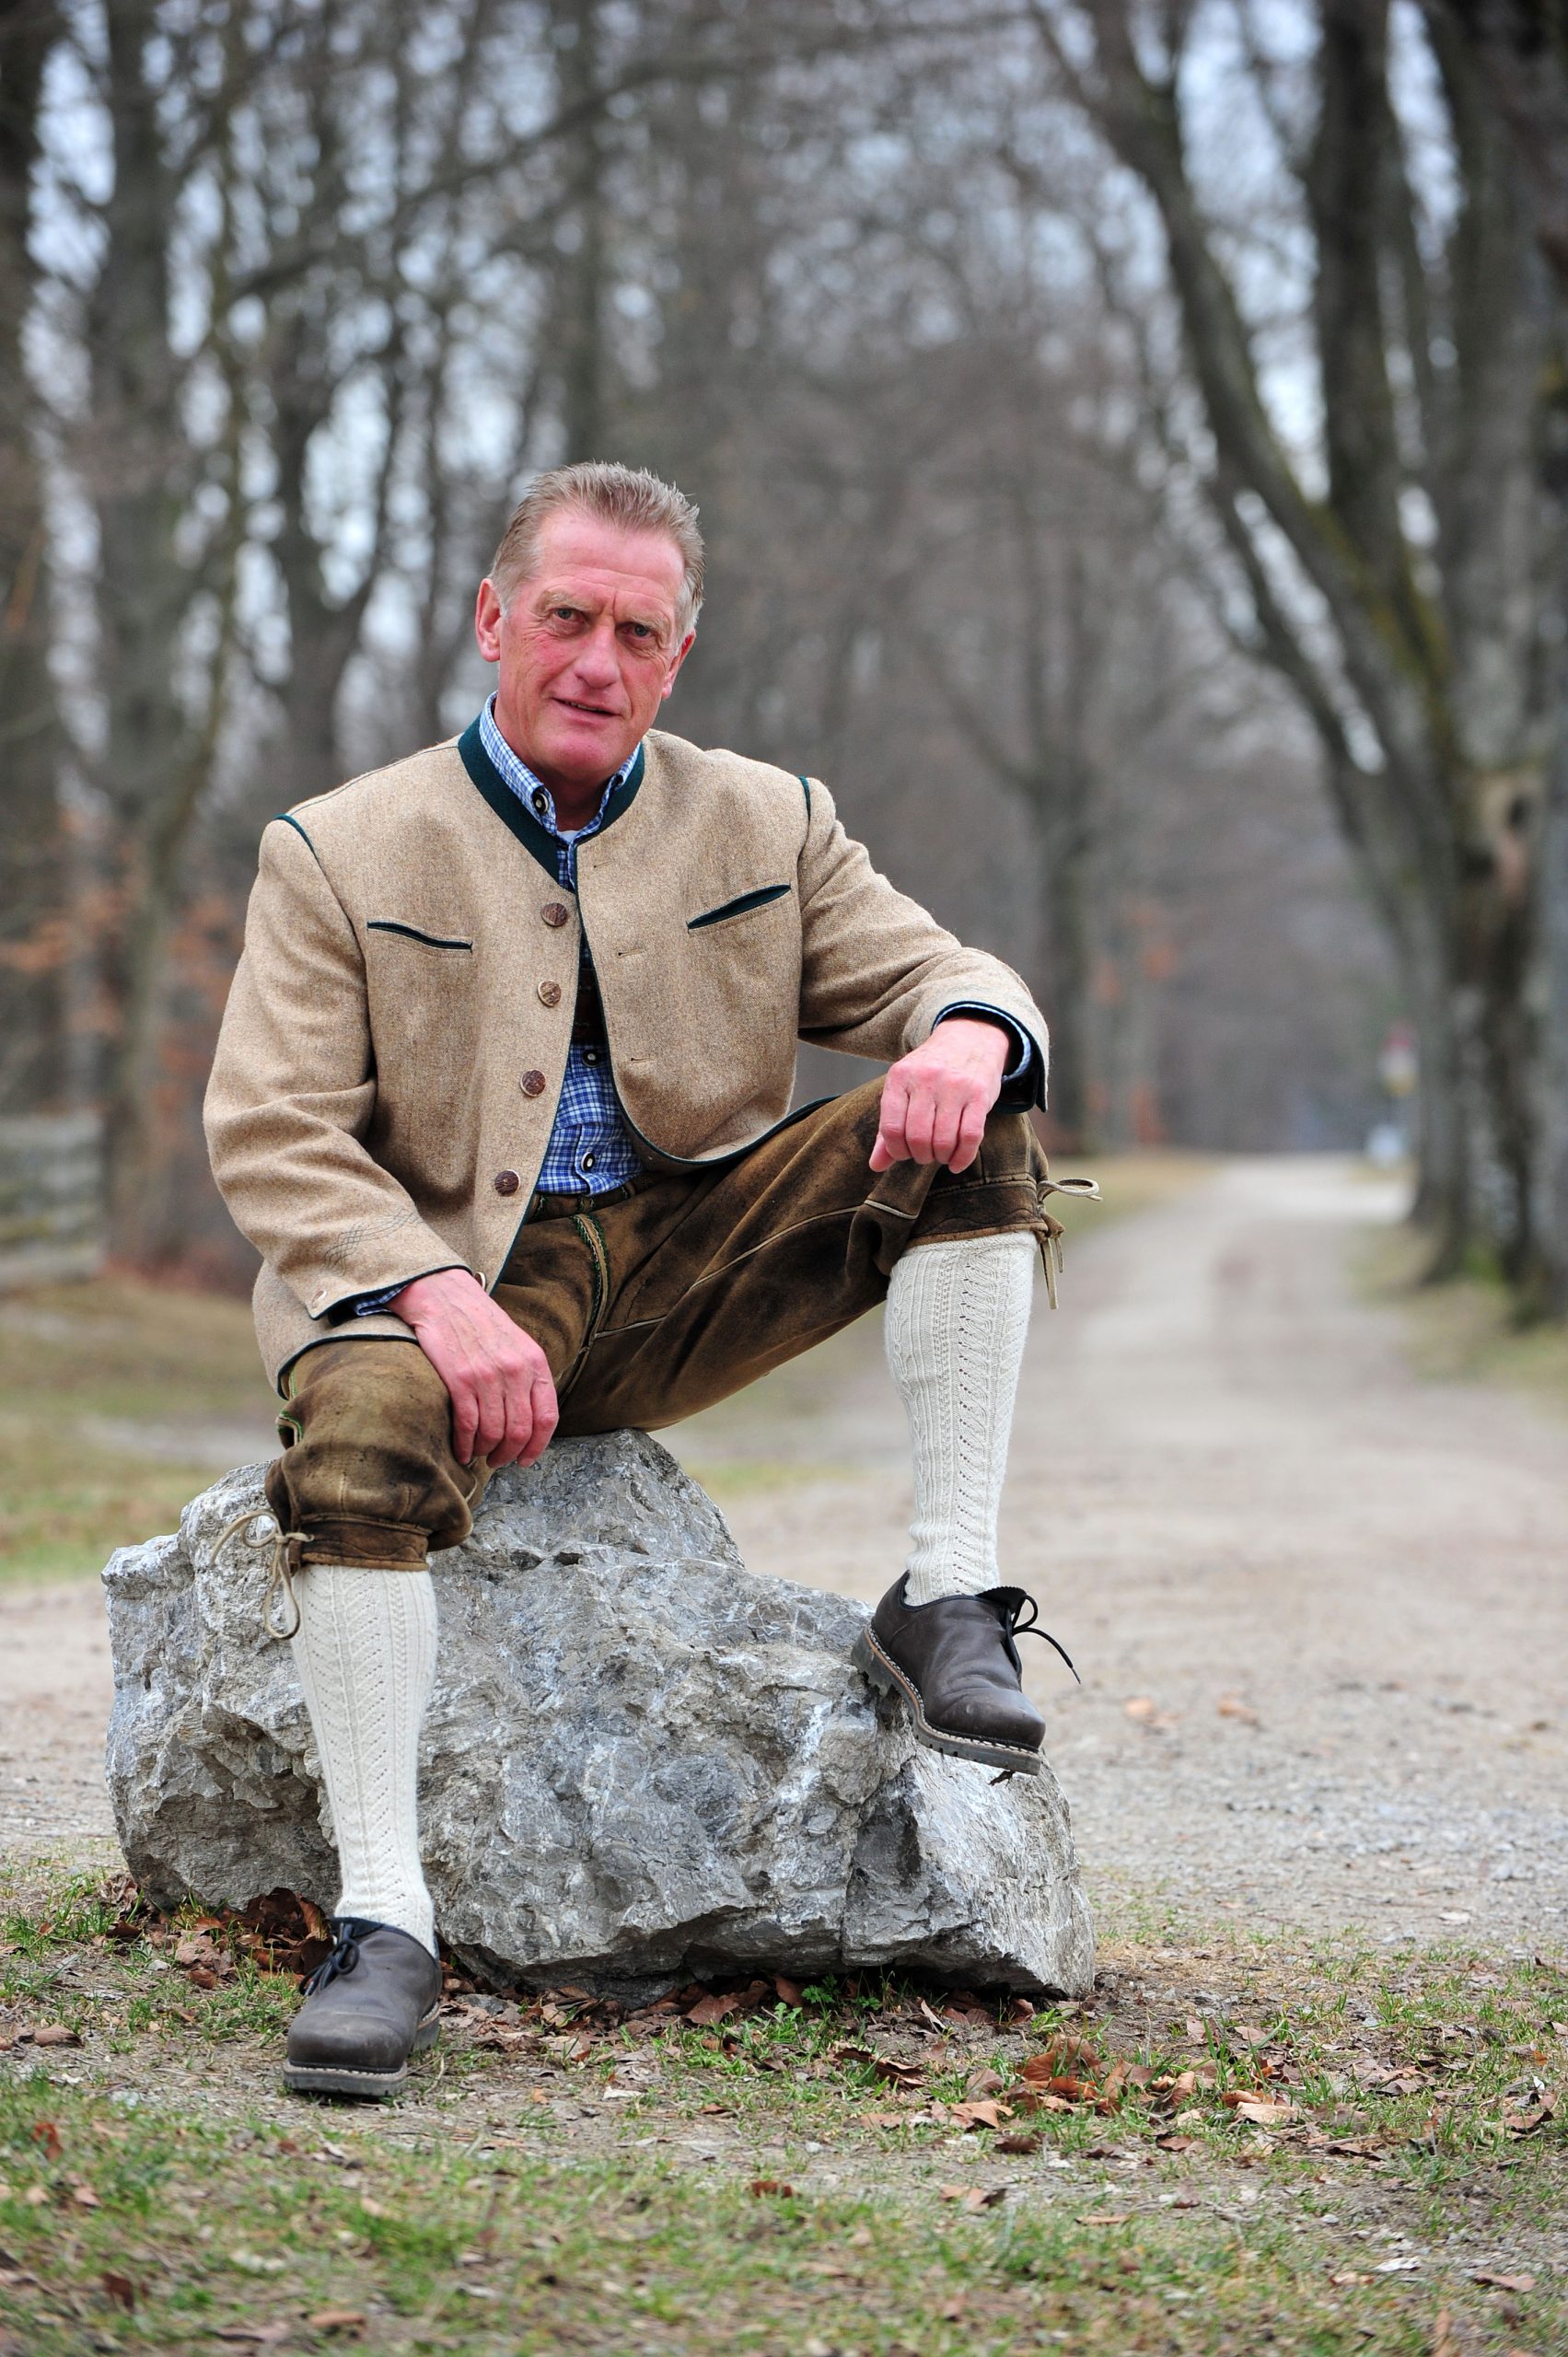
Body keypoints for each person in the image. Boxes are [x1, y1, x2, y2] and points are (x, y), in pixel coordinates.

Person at [204, 460, 1086, 2100]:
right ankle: (384, 1925)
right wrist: (429, 1294)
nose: (596, 663)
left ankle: (949, 1595)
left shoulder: (769, 817)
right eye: (565, 618)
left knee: (980, 1126)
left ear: (680, 653)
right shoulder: (337, 846)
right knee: (362, 1449)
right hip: (452, 1276)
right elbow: (271, 1133)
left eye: (636, 632)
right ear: (493, 620)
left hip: (696, 1252)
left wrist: (971, 1032)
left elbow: (948, 971)